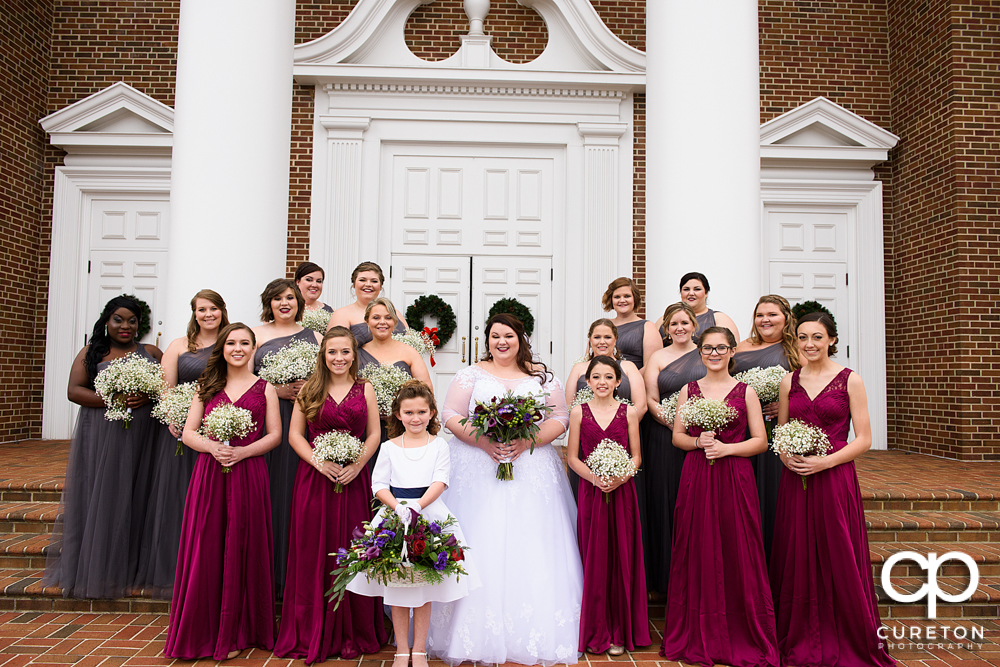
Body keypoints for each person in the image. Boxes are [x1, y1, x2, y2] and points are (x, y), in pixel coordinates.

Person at [427, 313, 582, 666]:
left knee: (533, 539)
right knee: (479, 536)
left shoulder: (542, 375)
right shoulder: (471, 374)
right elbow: (450, 413)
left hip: (531, 466)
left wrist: (528, 440)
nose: (501, 342)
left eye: (508, 336)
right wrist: (483, 442)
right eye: (495, 336)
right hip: (477, 466)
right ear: (488, 340)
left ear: (520, 338)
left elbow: (560, 417)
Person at [769, 312, 894, 667]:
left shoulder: (849, 380)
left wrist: (825, 462)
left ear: (832, 340)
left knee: (836, 550)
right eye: (804, 337)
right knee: (797, 550)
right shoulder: (788, 381)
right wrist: (786, 457)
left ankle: (845, 630)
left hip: (834, 477)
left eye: (818, 338)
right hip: (795, 480)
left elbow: (866, 439)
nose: (810, 344)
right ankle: (799, 631)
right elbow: (781, 432)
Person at [661, 326, 778, 667]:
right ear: (701, 352)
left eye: (721, 348)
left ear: (731, 352)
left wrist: (727, 449)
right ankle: (698, 628)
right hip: (697, 475)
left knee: (737, 545)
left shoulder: (747, 392)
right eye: (708, 348)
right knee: (696, 545)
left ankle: (741, 628)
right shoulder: (689, 390)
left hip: (734, 476)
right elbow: (678, 437)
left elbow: (761, 441)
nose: (714, 353)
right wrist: (699, 442)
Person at [164, 323, 281, 661]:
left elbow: (274, 435)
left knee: (245, 544)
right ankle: (205, 629)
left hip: (249, 472)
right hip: (210, 474)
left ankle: (243, 630)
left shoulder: (266, 388)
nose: (238, 348)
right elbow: (188, 433)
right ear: (223, 347)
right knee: (208, 545)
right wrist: (213, 448)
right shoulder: (207, 386)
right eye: (232, 343)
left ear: (254, 348)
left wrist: (243, 452)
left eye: (245, 343)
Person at [347, 381, 480, 667]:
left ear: (432, 413)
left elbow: (440, 481)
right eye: (409, 412)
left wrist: (418, 506)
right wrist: (398, 507)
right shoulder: (389, 447)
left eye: (422, 411)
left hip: (430, 515)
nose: (415, 418)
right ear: (398, 414)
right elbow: (378, 483)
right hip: (394, 516)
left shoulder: (439, 446)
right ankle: (401, 649)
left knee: (424, 585)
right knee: (398, 584)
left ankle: (419, 649)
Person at [274, 326, 386, 662]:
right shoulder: (309, 388)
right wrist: (319, 462)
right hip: (314, 479)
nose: (338, 358)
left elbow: (374, 434)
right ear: (323, 355)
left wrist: (357, 465)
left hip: (354, 479)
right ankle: (311, 628)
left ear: (354, 355)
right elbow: (295, 435)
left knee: (353, 549)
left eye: (345, 352)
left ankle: (356, 628)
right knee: (313, 549)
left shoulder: (365, 389)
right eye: (332, 352)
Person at [43, 295, 162, 599]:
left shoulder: (151, 352)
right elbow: (74, 391)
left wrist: (147, 397)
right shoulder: (92, 351)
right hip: (102, 433)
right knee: (106, 496)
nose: (125, 326)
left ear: (140, 324)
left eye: (132, 320)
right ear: (107, 321)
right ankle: (101, 568)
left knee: (140, 493)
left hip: (144, 437)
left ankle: (136, 564)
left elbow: (165, 389)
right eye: (118, 319)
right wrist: (113, 399)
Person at [134, 289, 229, 597]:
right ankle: (176, 566)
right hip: (182, 433)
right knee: (178, 496)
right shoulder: (178, 346)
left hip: (220, 428)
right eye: (202, 309)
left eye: (213, 308)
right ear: (194, 313)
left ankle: (210, 566)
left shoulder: (232, 343)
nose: (208, 314)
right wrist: (176, 415)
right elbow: (167, 389)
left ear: (222, 310)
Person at [566, 356, 649, 657]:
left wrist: (619, 477)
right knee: (595, 557)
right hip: (591, 494)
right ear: (588, 382)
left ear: (618, 382)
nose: (602, 382)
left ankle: (619, 631)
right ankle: (595, 629)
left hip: (622, 494)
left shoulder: (628, 412)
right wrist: (595, 478)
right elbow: (573, 457)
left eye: (608, 377)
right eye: (596, 377)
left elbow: (637, 457)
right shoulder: (578, 412)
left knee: (621, 557)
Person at [252, 278, 322, 597]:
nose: (285, 303)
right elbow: (242, 373)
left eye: (290, 298)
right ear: (269, 302)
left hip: (303, 419)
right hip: (267, 418)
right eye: (278, 298)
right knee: (267, 491)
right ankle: (266, 574)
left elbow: (329, 374)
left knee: (298, 492)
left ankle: (295, 574)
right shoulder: (256, 335)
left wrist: (308, 389)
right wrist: (274, 389)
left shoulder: (316, 336)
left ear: (299, 303)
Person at [639, 302, 703, 598]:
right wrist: (671, 421)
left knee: (695, 503)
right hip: (662, 435)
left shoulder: (706, 354)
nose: (679, 328)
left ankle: (695, 576)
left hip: (700, 437)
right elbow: (651, 397)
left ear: (694, 326)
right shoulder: (657, 357)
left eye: (684, 323)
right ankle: (664, 580)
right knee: (665, 499)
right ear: (666, 329)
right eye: (673, 324)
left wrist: (694, 424)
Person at [733, 295, 799, 562]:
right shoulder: (741, 347)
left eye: (772, 315)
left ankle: (774, 557)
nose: (765, 320)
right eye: (760, 315)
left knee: (771, 494)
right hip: (742, 430)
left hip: (774, 429)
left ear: (786, 318)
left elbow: (809, 389)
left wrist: (785, 405)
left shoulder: (795, 350)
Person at [564, 318, 647, 501]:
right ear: (590, 340)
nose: (602, 341)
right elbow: (570, 406)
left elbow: (640, 406)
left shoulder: (627, 367)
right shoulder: (579, 368)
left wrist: (615, 430)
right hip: (588, 442)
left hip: (621, 441)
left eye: (607, 337)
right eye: (597, 337)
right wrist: (594, 431)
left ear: (615, 340)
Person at [357, 297, 433, 466]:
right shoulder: (355, 353)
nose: (382, 322)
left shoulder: (409, 352)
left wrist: (402, 412)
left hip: (400, 427)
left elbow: (427, 390)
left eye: (388, 317)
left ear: (395, 322)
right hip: (364, 429)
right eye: (376, 317)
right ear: (367, 320)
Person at [328, 261, 407, 345]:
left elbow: (411, 341)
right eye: (362, 280)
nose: (368, 284)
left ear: (380, 286)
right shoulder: (342, 314)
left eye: (374, 281)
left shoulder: (395, 312)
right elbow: (334, 347)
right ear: (354, 284)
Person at [656, 272, 740, 344]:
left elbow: (732, 352)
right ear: (681, 293)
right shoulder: (663, 319)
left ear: (706, 293)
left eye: (697, 289)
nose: (691, 293)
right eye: (686, 289)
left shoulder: (719, 319)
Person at [601, 277, 660, 369]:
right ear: (611, 300)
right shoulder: (602, 325)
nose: (622, 300)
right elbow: (589, 360)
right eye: (617, 297)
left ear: (635, 298)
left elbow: (651, 367)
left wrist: (628, 381)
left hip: (634, 381)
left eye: (627, 296)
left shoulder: (647, 327)